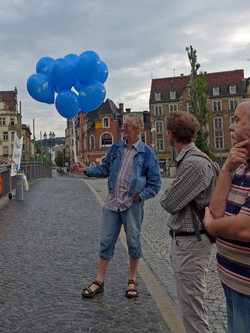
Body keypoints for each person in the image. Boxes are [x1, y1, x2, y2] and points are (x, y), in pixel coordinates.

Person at [204, 96, 250, 332]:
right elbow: (215, 210)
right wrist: (225, 170)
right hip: (235, 284)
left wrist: (212, 227)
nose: (230, 126)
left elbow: (249, 227)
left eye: (236, 120)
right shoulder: (244, 161)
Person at [73, 115, 161, 298]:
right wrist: (86, 170)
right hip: (112, 203)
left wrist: (140, 196)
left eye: (127, 126)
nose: (123, 129)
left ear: (137, 129)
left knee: (133, 242)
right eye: (123, 125)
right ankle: (99, 280)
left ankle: (132, 279)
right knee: (106, 241)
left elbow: (155, 184)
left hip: (132, 205)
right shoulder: (116, 148)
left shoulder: (147, 153)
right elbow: (105, 169)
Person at [159, 111, 215, 332]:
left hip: (192, 243)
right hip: (189, 241)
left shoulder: (193, 163)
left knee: (193, 310)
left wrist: (170, 193)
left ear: (171, 134)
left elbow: (169, 202)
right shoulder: (191, 160)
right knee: (190, 305)